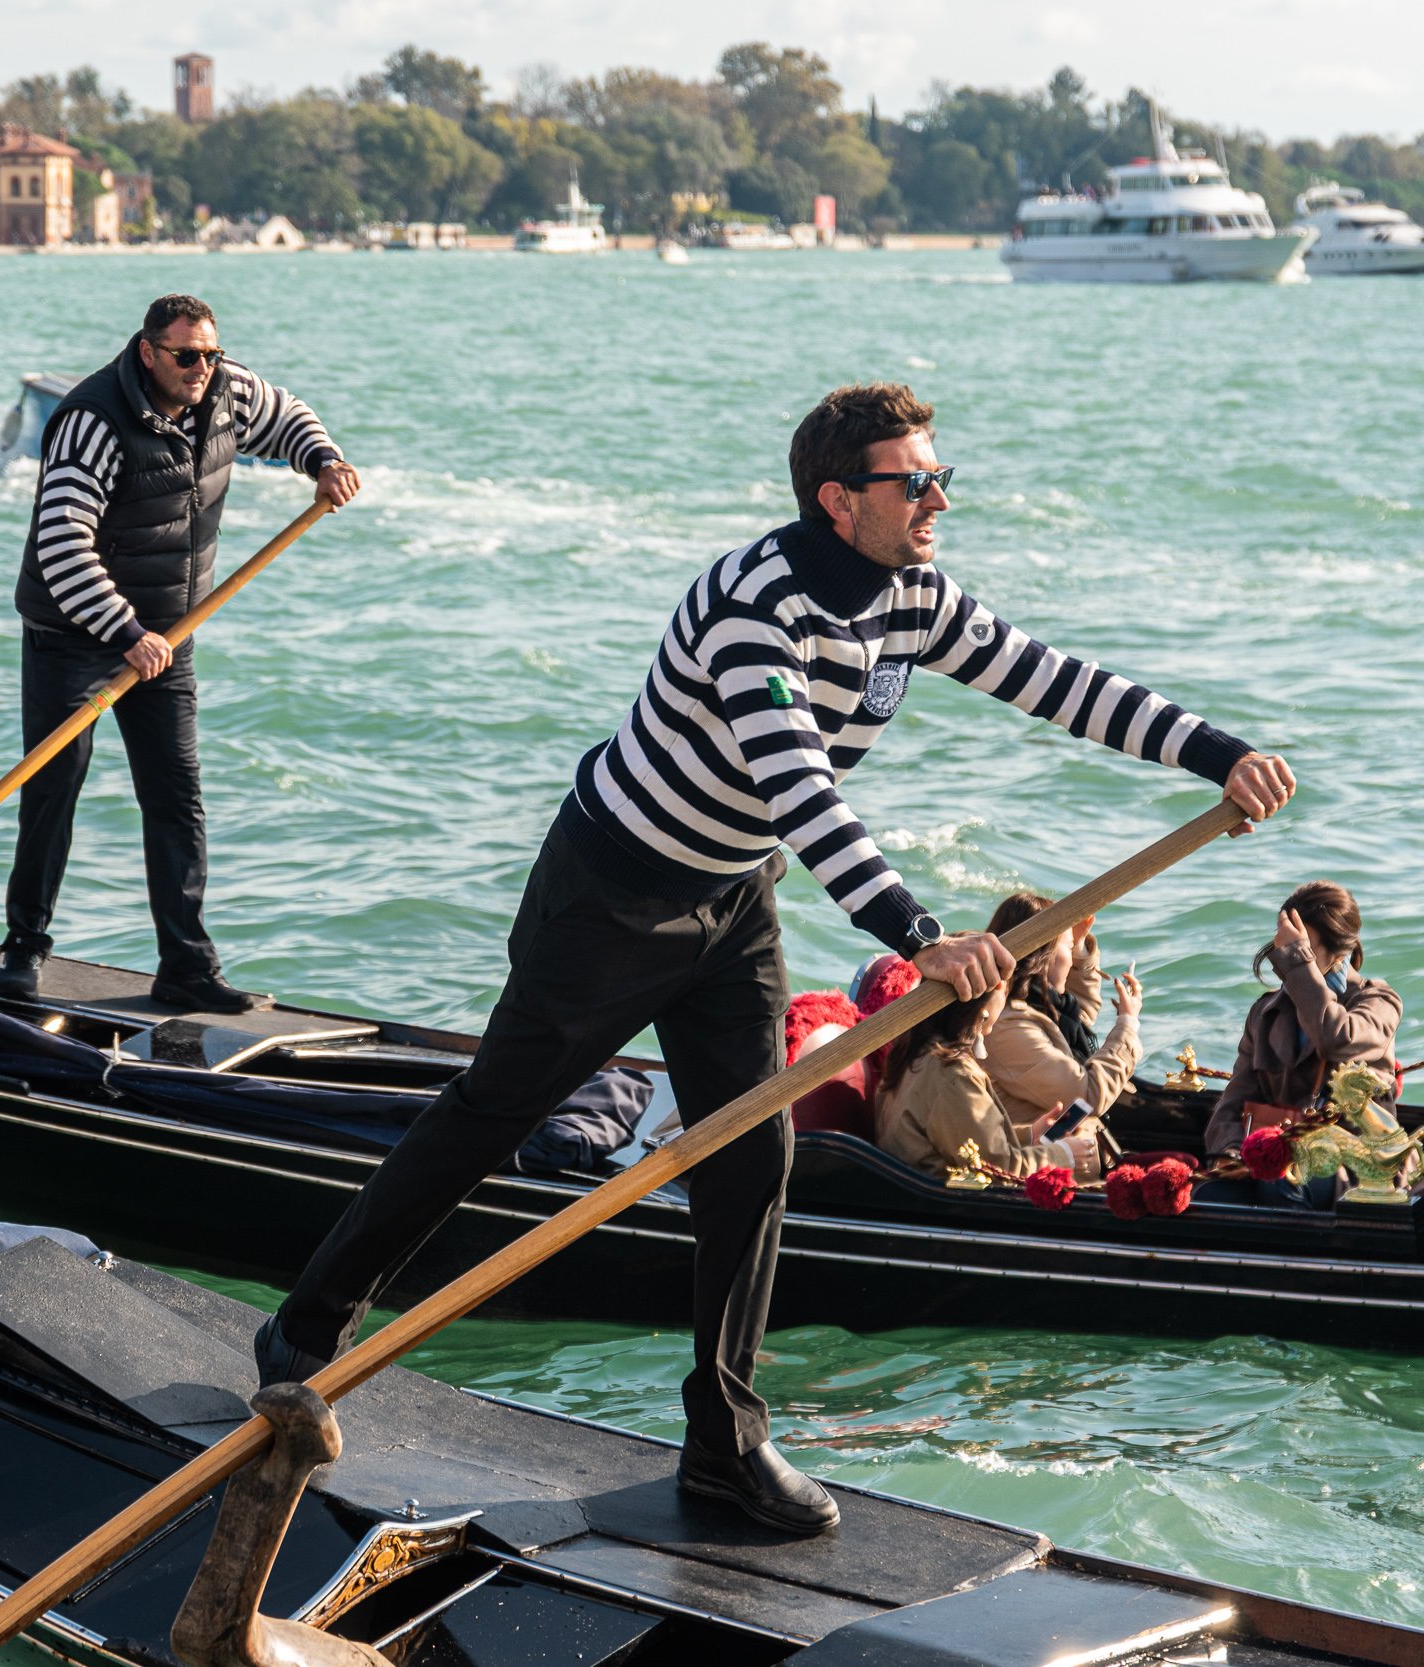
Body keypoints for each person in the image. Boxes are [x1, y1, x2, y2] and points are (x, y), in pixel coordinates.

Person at [258, 382, 1294, 1536]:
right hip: (612, 892)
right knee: (493, 1111)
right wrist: (917, 933)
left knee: (754, 1157)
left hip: (732, 898)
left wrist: (1217, 752)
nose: (939, 499)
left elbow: (1054, 682)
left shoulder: (912, 594)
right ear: (838, 499)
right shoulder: (756, 604)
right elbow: (799, 789)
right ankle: (307, 1323)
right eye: (916, 483)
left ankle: (722, 1441)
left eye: (940, 477)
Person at [0, 295, 361, 1011]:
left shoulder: (227, 391)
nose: (202, 369)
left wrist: (322, 459)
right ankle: (22, 951)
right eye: (186, 356)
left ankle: (186, 966)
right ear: (148, 352)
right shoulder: (91, 422)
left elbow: (288, 414)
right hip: (76, 633)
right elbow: (61, 546)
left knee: (176, 797)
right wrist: (126, 633)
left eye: (211, 354)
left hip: (166, 635)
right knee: (52, 794)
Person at [1204, 882, 1402, 1189]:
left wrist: (1298, 963)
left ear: (1340, 951)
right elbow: (1234, 1100)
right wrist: (1231, 1151)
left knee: (1286, 1187)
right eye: (1287, 944)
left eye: (1302, 945)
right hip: (1279, 1162)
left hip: (1353, 1170)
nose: (1286, 954)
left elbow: (1336, 1039)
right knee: (1212, 1192)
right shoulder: (1266, 1012)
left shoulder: (1378, 1002)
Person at [979, 894, 1141, 1152]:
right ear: (1045, 957)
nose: (1070, 954)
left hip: (1073, 1151)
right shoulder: (1008, 1028)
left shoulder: (1034, 1003)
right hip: (1047, 1170)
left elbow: (1079, 1017)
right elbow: (1087, 1095)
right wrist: (1128, 1025)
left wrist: (1077, 949)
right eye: (1067, 946)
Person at [878, 983, 1083, 1178]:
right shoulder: (953, 1075)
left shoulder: (920, 1049)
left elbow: (969, 1140)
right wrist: (1063, 1155)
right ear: (999, 987)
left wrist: (1029, 1135)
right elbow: (997, 1170)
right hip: (948, 1205)